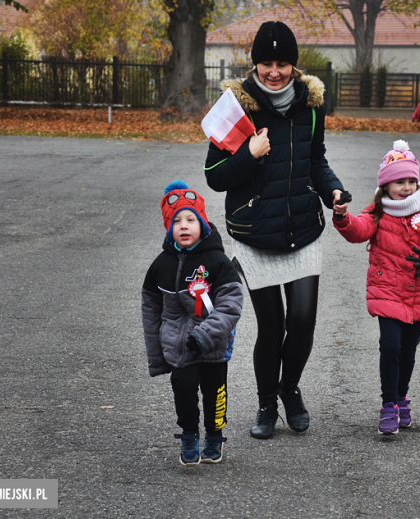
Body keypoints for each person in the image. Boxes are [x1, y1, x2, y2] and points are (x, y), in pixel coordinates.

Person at [203, 21, 346, 440]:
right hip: (254, 232)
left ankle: (289, 388)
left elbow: (315, 159)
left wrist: (332, 190)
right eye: (267, 62)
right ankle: (267, 404)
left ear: (293, 65)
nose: (274, 71)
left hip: (302, 227)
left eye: (282, 63)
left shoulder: (311, 106)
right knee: (272, 325)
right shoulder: (236, 108)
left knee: (303, 321)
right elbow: (214, 175)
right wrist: (249, 154)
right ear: (256, 63)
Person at [332, 141, 420, 435]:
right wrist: (342, 217)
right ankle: (388, 404)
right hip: (386, 290)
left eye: (412, 181)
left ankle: (401, 397)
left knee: (409, 351)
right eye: (400, 181)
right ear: (386, 185)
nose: (407, 187)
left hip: (417, 293)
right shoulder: (376, 212)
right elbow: (358, 229)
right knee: (390, 346)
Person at [141, 180, 244, 465]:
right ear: (168, 228)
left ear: (203, 224)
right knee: (183, 392)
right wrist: (157, 355)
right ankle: (188, 435)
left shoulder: (217, 261)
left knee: (215, 394)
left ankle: (214, 435)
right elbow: (150, 312)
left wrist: (206, 333)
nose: (184, 226)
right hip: (179, 349)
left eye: (190, 219)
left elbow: (231, 303)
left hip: (212, 346)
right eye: (177, 222)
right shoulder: (160, 266)